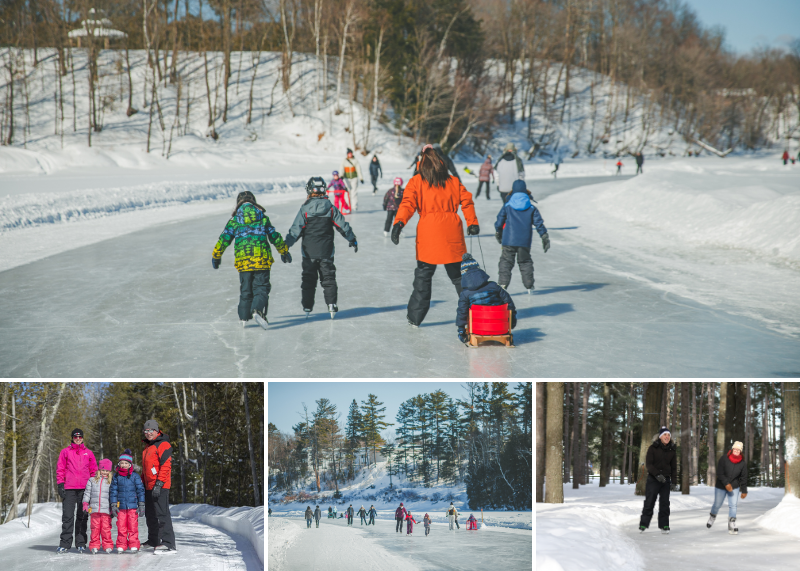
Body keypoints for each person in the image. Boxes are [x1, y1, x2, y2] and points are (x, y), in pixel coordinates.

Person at [391, 145, 479, 327]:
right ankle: (474, 313)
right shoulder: (453, 181)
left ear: (421, 164)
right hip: (451, 234)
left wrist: (399, 223)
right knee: (458, 277)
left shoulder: (416, 181)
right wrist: (472, 222)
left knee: (423, 276)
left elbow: (407, 204)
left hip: (428, 234)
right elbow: (467, 201)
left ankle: (414, 318)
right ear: (441, 162)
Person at [212, 191, 291, 327]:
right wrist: (283, 251)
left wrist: (216, 255)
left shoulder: (234, 220)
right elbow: (274, 236)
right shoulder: (262, 218)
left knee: (246, 289)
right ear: (254, 202)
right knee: (261, 287)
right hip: (262, 260)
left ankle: (243, 318)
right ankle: (257, 310)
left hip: (244, 262)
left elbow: (224, 239)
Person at [284, 177, 358, 319]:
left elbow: (295, 231)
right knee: (328, 278)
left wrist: (285, 247)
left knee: (308, 279)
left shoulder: (305, 209)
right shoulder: (330, 208)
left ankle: (307, 306)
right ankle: (331, 305)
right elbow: (343, 226)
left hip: (308, 253)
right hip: (326, 252)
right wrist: (352, 239)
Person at [494, 179, 550, 293]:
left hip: (508, 240)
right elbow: (539, 223)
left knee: (506, 261)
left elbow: (500, 220)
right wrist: (544, 236)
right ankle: (529, 285)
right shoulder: (531, 207)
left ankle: (503, 284)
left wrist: (498, 232)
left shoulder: (507, 206)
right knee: (525, 262)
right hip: (524, 241)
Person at [456, 253, 517, 345]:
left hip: (478, 328)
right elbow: (508, 302)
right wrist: (512, 319)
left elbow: (462, 312)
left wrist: (461, 330)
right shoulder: (494, 286)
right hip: (500, 326)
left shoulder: (465, 293)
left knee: (469, 309)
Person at [56, 428, 97, 554]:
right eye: (75, 437)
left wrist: (94, 487)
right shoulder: (65, 452)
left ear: (83, 438)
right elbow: (60, 469)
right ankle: (65, 543)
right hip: (69, 488)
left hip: (85, 488)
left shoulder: (88, 453)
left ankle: (80, 543)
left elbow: (94, 470)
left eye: (80, 437)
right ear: (72, 438)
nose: (78, 439)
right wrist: (60, 484)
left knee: (82, 516)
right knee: (67, 516)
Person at [141, 419, 177, 552]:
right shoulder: (148, 446)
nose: (148, 433)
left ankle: (168, 542)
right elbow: (147, 469)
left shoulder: (163, 444)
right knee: (150, 514)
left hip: (160, 486)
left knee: (162, 514)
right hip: (148, 486)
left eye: (151, 430)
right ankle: (153, 540)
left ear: (157, 431)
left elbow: (166, 465)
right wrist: (141, 482)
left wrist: (159, 483)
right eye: (146, 430)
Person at [638, 426, 676, 534]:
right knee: (649, 502)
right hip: (653, 480)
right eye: (665, 435)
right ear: (660, 437)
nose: (667, 437)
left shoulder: (672, 449)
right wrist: (657, 474)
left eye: (668, 435)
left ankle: (664, 525)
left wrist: (674, 482)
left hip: (666, 481)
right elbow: (649, 464)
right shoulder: (652, 448)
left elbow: (674, 468)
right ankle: (643, 524)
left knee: (665, 504)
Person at [707, 441, 748, 535]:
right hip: (721, 486)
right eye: (735, 449)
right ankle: (712, 516)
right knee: (717, 504)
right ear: (732, 449)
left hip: (734, 486)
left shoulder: (742, 463)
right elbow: (720, 473)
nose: (737, 451)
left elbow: (744, 478)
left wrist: (744, 490)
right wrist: (726, 484)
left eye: (739, 450)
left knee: (733, 505)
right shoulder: (724, 458)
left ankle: (732, 523)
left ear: (741, 451)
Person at [109, 448, 145, 553]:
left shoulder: (135, 476)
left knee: (133, 526)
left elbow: (140, 490)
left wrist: (141, 504)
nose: (124, 465)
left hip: (133, 506)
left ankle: (134, 544)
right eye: (122, 463)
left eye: (126, 463)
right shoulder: (116, 476)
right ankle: (121, 544)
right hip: (121, 507)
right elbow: (113, 491)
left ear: (130, 464)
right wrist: (113, 504)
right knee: (121, 526)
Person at [84, 459, 114, 554]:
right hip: (94, 509)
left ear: (109, 471)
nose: (104, 472)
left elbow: (113, 495)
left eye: (106, 470)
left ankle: (107, 545)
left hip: (106, 510)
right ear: (99, 470)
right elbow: (87, 493)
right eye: (103, 470)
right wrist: (85, 503)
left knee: (106, 529)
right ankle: (94, 545)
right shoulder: (92, 480)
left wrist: (113, 507)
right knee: (95, 529)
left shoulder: (111, 482)